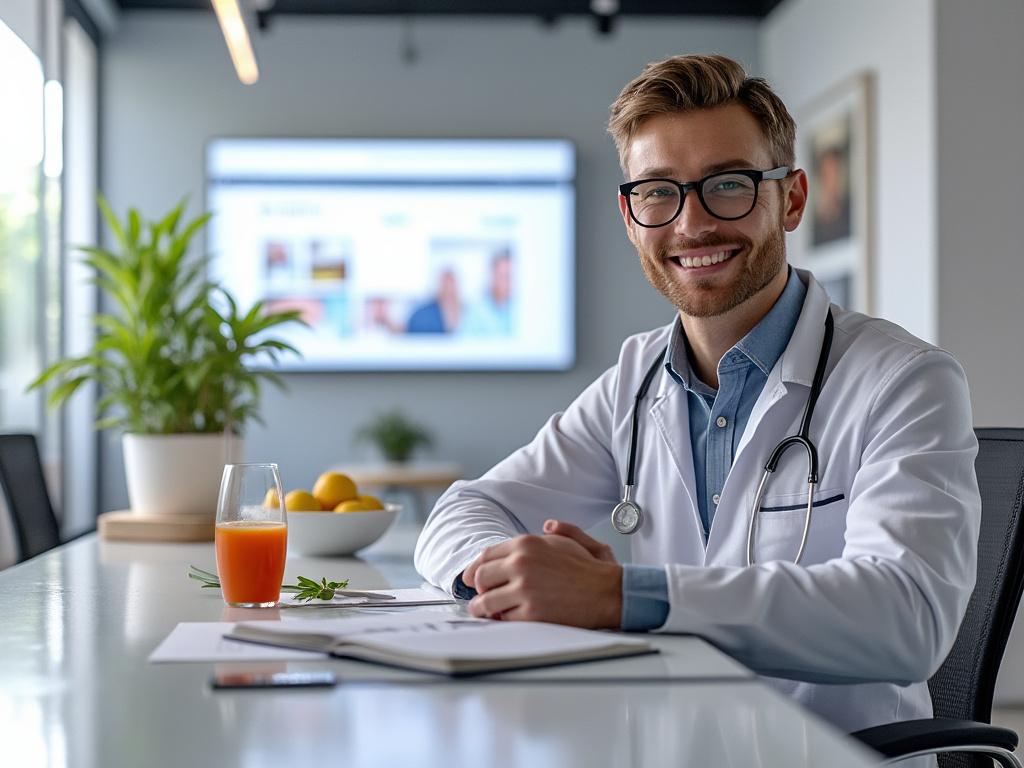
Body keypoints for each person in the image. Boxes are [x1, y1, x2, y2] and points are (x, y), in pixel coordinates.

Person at [413, 54, 979, 737]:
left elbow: (908, 617)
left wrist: (623, 595)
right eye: (657, 191)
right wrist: (512, 579)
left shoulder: (904, 381)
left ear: (791, 198)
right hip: (670, 742)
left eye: (729, 185)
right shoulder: (636, 378)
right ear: (630, 216)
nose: (691, 225)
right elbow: (466, 509)